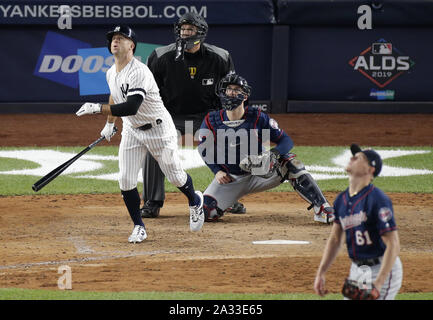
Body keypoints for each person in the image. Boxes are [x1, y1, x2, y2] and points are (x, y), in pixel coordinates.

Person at [75, 25, 205, 243]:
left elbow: (132, 106)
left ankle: (195, 200)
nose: (115, 41)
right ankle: (139, 226)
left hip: (158, 129)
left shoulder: (139, 71)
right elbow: (115, 98)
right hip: (132, 131)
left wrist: (97, 109)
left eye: (120, 38)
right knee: (125, 179)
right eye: (113, 38)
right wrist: (109, 123)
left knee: (174, 175)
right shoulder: (110, 72)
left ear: (131, 45)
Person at [140, 12, 246, 218]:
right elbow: (149, 93)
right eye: (183, 29)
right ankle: (153, 201)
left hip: (207, 115)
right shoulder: (161, 56)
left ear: (201, 33)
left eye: (190, 30)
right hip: (169, 116)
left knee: (232, 139)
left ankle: (228, 198)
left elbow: (231, 92)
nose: (185, 33)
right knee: (154, 146)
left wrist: (230, 122)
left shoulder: (220, 57)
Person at [197, 73, 335, 224]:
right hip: (231, 178)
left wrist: (273, 155)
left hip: (261, 172)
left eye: (236, 89)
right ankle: (230, 202)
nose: (232, 92)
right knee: (204, 213)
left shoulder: (258, 117)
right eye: (229, 89)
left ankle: (322, 208)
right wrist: (217, 171)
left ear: (245, 95)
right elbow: (204, 149)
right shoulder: (211, 120)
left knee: (291, 163)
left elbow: (285, 140)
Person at [314, 144, 402, 300]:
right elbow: (335, 240)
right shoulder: (341, 200)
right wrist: (321, 272)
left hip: (382, 269)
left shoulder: (378, 199)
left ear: (370, 170)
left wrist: (378, 284)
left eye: (359, 157)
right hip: (359, 269)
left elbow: (393, 243)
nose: (352, 158)